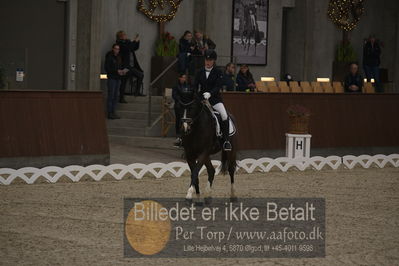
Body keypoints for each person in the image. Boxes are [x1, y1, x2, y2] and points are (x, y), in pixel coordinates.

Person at [194, 50, 232, 151]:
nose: (208, 62)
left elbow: (218, 86)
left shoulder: (218, 71)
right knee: (189, 112)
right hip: (202, 100)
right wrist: (198, 95)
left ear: (214, 61)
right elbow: (195, 85)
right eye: (206, 59)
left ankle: (226, 141)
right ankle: (182, 138)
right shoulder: (199, 71)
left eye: (210, 60)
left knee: (224, 115)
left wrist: (210, 93)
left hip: (215, 99)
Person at [116, 30, 145, 103]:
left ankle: (137, 92)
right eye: (124, 35)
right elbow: (128, 48)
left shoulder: (127, 42)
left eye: (125, 34)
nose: (126, 35)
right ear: (121, 36)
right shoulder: (120, 44)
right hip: (125, 66)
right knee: (123, 82)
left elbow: (134, 48)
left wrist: (137, 41)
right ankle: (121, 98)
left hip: (131, 66)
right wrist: (134, 41)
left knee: (140, 75)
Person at [172, 74, 195, 147]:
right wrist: (180, 98)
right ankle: (178, 135)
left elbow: (189, 94)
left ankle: (186, 134)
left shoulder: (187, 85)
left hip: (187, 104)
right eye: (183, 77)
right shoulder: (176, 86)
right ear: (179, 78)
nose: (184, 79)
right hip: (179, 105)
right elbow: (174, 95)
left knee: (187, 119)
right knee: (179, 119)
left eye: (185, 78)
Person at [104, 44, 124, 119]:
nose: (117, 50)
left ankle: (113, 111)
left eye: (118, 49)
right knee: (111, 95)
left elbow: (120, 67)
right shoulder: (109, 57)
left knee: (116, 96)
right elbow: (107, 68)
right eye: (115, 49)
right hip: (112, 78)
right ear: (112, 49)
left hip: (118, 78)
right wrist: (116, 71)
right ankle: (109, 112)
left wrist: (122, 71)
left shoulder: (119, 57)